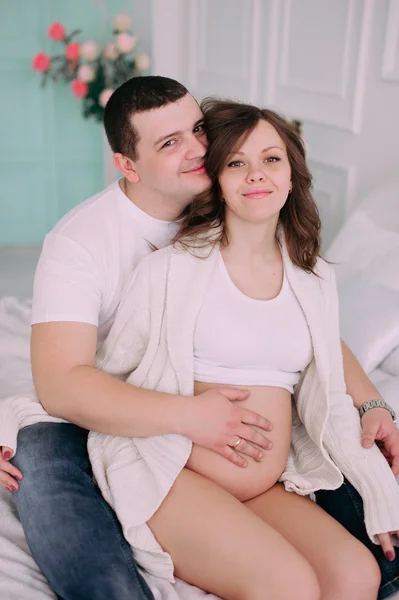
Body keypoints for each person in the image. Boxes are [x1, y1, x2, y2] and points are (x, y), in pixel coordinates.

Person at [0, 77, 396, 600]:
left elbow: (306, 329)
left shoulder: (238, 209)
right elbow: (63, 386)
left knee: (362, 569)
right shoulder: (86, 243)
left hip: (245, 466)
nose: (196, 152)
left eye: (198, 131)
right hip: (114, 423)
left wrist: (371, 402)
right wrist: (193, 416)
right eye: (169, 143)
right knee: (89, 557)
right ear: (128, 165)